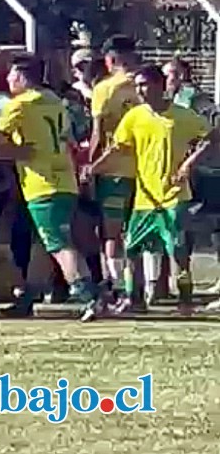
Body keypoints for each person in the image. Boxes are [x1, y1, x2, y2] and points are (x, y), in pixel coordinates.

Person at [87, 64, 215, 313]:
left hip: (174, 195)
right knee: (132, 247)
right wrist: (94, 168)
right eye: (137, 86)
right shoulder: (134, 116)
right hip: (145, 199)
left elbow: (211, 137)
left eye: (144, 85)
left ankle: (185, 299)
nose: (140, 91)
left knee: (177, 251)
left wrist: (189, 163)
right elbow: (119, 147)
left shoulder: (183, 115)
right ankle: (134, 299)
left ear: (159, 85)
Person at [0, 56, 104, 322]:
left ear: (21, 76)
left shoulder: (19, 105)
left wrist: (12, 148)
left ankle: (89, 294)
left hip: (43, 184)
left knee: (58, 243)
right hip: (64, 179)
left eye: (11, 75)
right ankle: (28, 298)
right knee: (43, 244)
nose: (7, 80)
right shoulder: (55, 101)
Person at [89, 35, 140, 293]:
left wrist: (89, 165)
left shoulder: (105, 89)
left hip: (113, 169)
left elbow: (98, 132)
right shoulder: (145, 86)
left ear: (110, 60)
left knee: (111, 232)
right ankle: (146, 286)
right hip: (144, 171)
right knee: (138, 230)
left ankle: (118, 286)